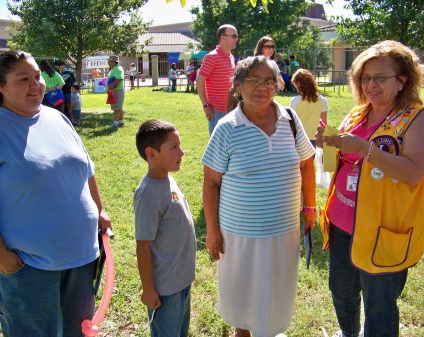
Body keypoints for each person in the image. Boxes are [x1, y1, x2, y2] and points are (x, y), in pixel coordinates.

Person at [316, 40, 424, 337]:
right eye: (365, 78)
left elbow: (412, 173)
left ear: (402, 81)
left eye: (379, 78)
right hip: (343, 223)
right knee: (341, 291)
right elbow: (339, 163)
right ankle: (348, 332)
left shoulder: (418, 118)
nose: (370, 84)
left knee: (380, 308)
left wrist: (365, 149)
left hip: (383, 230)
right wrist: (328, 144)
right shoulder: (358, 113)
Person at [0, 50, 112, 337]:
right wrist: (0, 255)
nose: (36, 85)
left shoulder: (56, 118)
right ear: (0, 85)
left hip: (82, 257)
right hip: (30, 265)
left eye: (37, 76)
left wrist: (99, 211)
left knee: (78, 331)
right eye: (23, 79)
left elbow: (86, 170)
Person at [201, 56, 316, 337]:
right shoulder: (227, 128)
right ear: (238, 86)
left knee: (276, 292)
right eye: (254, 80)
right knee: (243, 295)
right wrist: (213, 232)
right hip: (240, 234)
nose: (263, 87)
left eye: (269, 81)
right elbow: (211, 183)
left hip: (284, 231)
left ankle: (270, 331)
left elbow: (306, 163)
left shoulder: (290, 120)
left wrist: (310, 206)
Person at [134, 119, 196, 337]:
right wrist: (148, 290)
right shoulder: (148, 194)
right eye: (174, 148)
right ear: (152, 154)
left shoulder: (168, 179)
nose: (182, 153)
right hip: (165, 289)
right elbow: (142, 246)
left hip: (181, 281)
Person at [196, 24, 237, 135]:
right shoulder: (211, 57)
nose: (236, 39)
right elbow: (200, 81)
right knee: (217, 148)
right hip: (217, 112)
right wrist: (205, 105)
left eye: (237, 36)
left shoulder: (231, 57)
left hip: (231, 109)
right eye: (233, 36)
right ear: (223, 38)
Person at [290, 68, 328, 146]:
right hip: (313, 139)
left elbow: (291, 123)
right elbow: (324, 124)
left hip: (298, 139)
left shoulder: (295, 101)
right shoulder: (322, 100)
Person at [105, 55, 125, 128]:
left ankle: (115, 123)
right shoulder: (114, 69)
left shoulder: (117, 68)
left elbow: (119, 78)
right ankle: (121, 122)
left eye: (109, 61)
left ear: (113, 62)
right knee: (119, 107)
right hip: (114, 91)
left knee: (117, 107)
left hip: (117, 91)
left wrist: (112, 85)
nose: (108, 62)